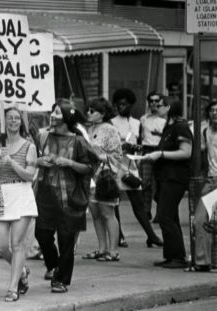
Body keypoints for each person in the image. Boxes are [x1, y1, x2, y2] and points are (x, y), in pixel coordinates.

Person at [34, 99, 97, 293]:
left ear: (67, 117)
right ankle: (54, 266)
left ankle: (61, 279)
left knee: (66, 241)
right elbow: (31, 157)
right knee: (42, 235)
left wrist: (69, 163)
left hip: (70, 198)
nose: (53, 115)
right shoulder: (43, 136)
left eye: (57, 112)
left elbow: (90, 167)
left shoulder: (78, 141)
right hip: (45, 196)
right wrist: (39, 161)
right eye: (53, 111)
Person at [0, 107, 38, 302]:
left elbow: (30, 175)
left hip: (21, 193)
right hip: (0, 194)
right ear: (3, 122)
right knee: (0, 246)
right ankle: (22, 270)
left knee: (17, 243)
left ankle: (13, 287)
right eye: (9, 118)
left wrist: (12, 162)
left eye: (17, 118)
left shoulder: (29, 146)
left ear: (21, 122)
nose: (13, 121)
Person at [110, 89, 163, 248]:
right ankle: (119, 236)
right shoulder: (111, 122)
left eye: (125, 104)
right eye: (119, 104)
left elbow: (139, 144)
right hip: (114, 165)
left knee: (138, 202)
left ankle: (151, 235)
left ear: (131, 105)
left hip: (131, 166)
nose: (121, 106)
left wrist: (135, 147)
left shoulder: (137, 123)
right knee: (115, 203)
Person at [144, 96, 192, 269]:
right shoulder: (169, 126)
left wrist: (161, 154)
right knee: (170, 216)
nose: (156, 107)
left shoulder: (180, 126)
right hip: (165, 176)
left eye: (161, 104)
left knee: (165, 216)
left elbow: (186, 152)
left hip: (175, 177)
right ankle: (172, 255)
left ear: (170, 107)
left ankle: (178, 257)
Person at [83, 98, 122, 262]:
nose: (88, 113)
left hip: (105, 175)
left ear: (103, 114)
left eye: (93, 111)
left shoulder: (110, 130)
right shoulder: (89, 129)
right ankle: (102, 248)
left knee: (107, 213)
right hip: (91, 175)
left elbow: (117, 155)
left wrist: (100, 157)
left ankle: (113, 251)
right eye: (88, 110)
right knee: (95, 213)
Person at [193, 100, 217, 271]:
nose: (215, 113)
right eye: (212, 110)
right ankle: (202, 262)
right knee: (200, 220)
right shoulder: (205, 131)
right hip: (211, 181)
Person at [139, 92, 166, 221]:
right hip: (147, 151)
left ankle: (160, 212)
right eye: (152, 101)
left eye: (157, 101)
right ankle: (146, 211)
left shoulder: (165, 119)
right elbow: (140, 137)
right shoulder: (143, 119)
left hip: (161, 152)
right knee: (145, 183)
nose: (154, 103)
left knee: (160, 183)